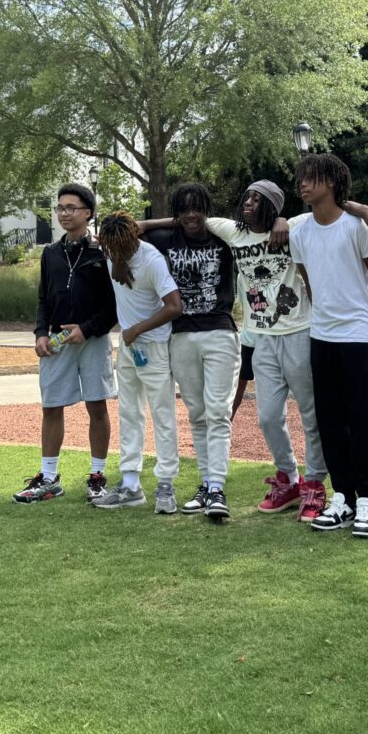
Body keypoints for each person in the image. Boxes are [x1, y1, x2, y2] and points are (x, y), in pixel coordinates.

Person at [157, 181, 368, 522]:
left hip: (299, 332)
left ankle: (314, 484)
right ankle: (289, 478)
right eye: (246, 197)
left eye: (257, 199)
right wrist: (143, 224)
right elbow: (189, 219)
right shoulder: (233, 232)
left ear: (273, 206)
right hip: (261, 338)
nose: (248, 203)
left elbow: (327, 208)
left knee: (311, 416)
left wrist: (363, 209)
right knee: (267, 416)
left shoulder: (293, 227)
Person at [288, 154, 368, 538]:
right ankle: (343, 497)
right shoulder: (299, 234)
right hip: (321, 337)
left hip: (358, 339)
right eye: (301, 178)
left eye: (312, 178)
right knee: (329, 421)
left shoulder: (355, 229)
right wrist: (328, 317)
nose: (303, 184)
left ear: (332, 183)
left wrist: (364, 316)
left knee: (361, 420)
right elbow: (310, 282)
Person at [16, 182, 118, 505]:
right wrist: (40, 333)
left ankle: (97, 477)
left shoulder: (103, 253)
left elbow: (114, 306)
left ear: (88, 213)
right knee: (51, 406)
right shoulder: (51, 254)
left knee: (97, 405)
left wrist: (87, 329)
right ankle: (48, 479)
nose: (64, 213)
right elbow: (43, 298)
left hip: (93, 340)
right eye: (60, 208)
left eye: (71, 208)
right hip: (56, 341)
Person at [146, 183, 239, 520]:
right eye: (183, 209)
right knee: (197, 413)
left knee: (217, 411)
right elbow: (131, 229)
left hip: (219, 333)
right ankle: (205, 484)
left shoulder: (224, 239)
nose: (190, 215)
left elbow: (264, 227)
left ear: (207, 209)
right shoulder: (167, 240)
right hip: (181, 335)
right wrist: (167, 223)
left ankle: (217, 487)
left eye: (197, 207)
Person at [91, 212, 183, 511]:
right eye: (110, 249)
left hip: (152, 346)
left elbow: (174, 306)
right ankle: (130, 484)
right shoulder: (113, 247)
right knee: (129, 413)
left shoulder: (152, 260)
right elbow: (141, 225)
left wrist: (136, 329)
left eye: (119, 249)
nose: (113, 253)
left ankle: (166, 485)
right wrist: (117, 259)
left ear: (133, 240)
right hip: (129, 348)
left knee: (162, 416)